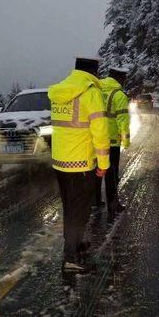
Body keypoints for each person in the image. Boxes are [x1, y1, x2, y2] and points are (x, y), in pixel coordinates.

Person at [48, 57, 110, 272]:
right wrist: (104, 163)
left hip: (60, 162)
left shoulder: (60, 91)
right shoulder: (90, 93)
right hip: (81, 164)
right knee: (80, 211)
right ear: (94, 72)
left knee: (70, 207)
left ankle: (75, 245)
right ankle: (70, 258)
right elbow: (101, 132)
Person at [99, 66, 131, 219]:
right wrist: (126, 141)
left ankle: (96, 200)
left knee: (98, 172)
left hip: (97, 140)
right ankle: (113, 206)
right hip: (111, 143)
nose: (124, 81)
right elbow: (122, 121)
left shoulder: (97, 91)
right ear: (119, 78)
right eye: (124, 78)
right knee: (111, 175)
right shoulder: (119, 95)